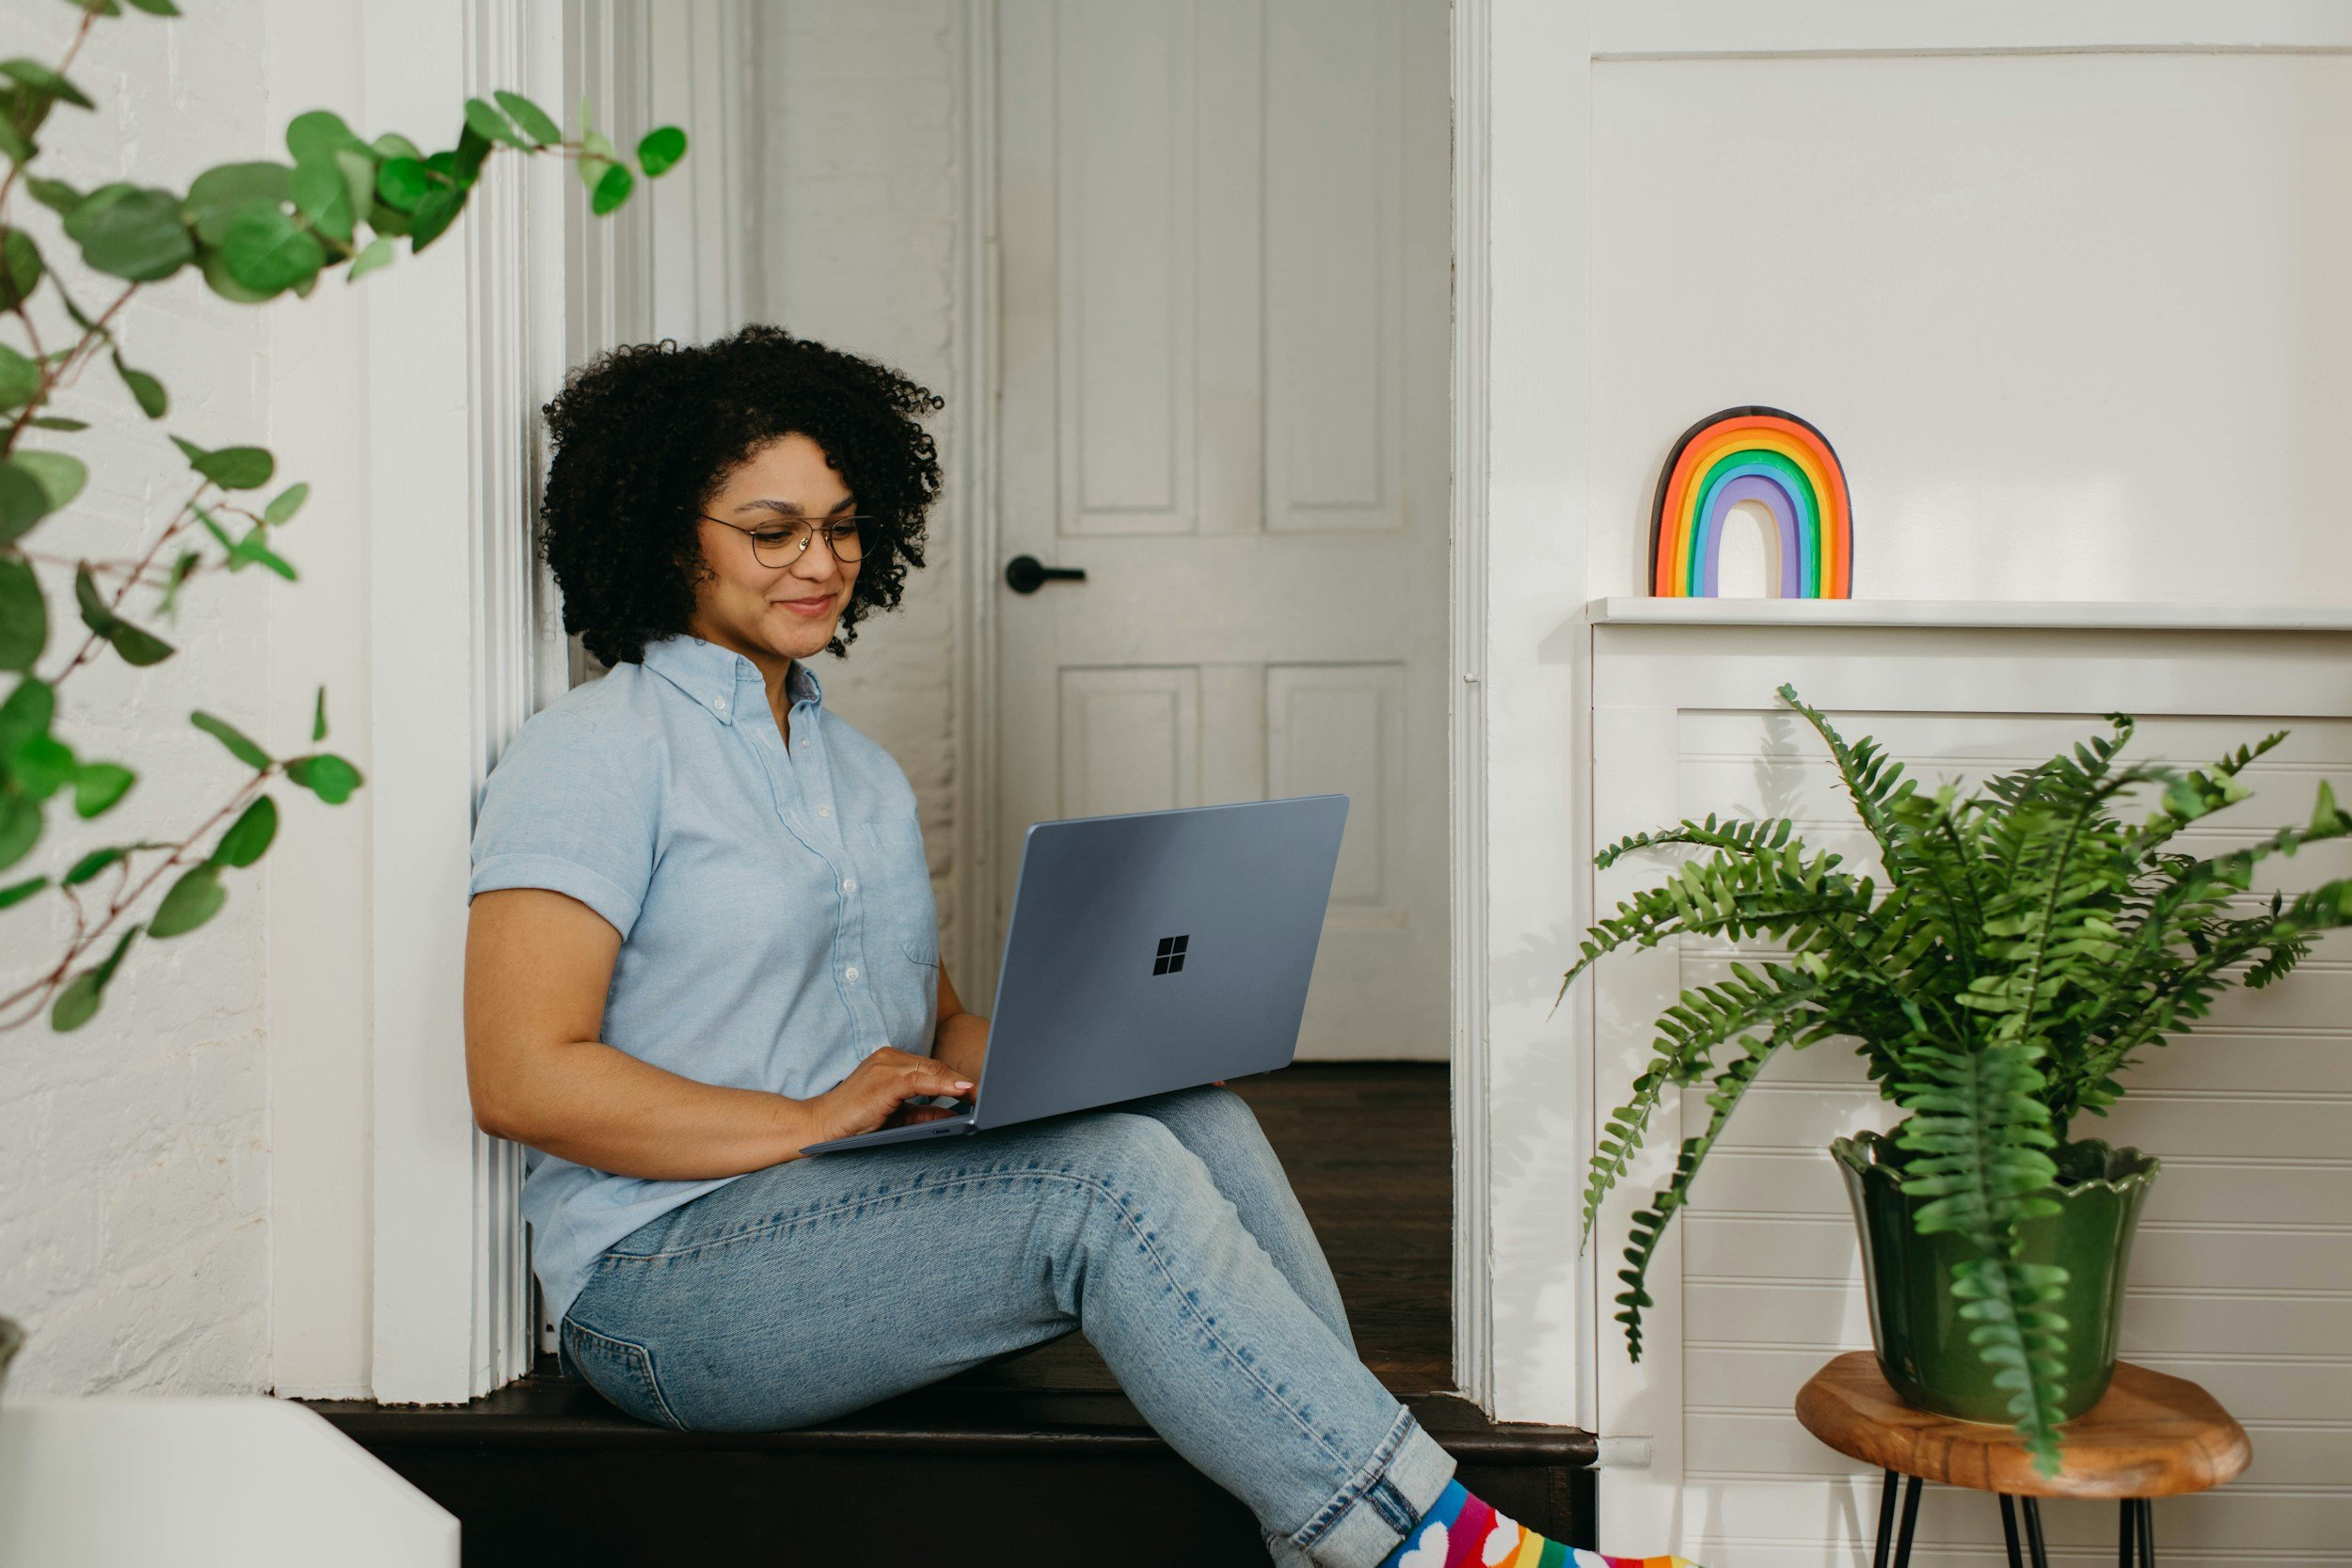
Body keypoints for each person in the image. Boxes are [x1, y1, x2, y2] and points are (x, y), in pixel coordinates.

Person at [462, 325, 1612, 1568]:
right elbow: (521, 1074)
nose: (820, 562)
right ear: (664, 529)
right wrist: (804, 1121)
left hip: (844, 1213)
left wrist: (1114, 1056)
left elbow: (930, 1026)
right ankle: (1433, 1546)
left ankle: (1366, 1541)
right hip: (664, 1283)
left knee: (1186, 1123)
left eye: (843, 526)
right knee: (1104, 1179)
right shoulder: (597, 749)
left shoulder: (860, 773)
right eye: (773, 528)